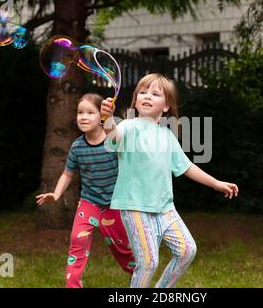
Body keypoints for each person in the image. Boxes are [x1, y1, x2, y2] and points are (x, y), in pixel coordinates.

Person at [101, 73, 239, 288]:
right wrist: (106, 119)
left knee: (187, 250)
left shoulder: (166, 136)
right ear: (135, 100)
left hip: (165, 208)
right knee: (148, 263)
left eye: (155, 94)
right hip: (135, 206)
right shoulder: (128, 126)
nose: (147, 96)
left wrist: (216, 183)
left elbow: (187, 167)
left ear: (166, 106)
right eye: (142, 92)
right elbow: (113, 135)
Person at [36, 93, 135, 288]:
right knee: (76, 240)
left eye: (90, 112)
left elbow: (124, 145)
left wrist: (112, 118)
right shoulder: (77, 147)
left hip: (114, 204)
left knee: (121, 247)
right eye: (80, 112)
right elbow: (67, 174)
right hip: (89, 202)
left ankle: (137, 274)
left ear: (101, 117)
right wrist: (56, 193)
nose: (83, 116)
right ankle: (73, 285)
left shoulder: (112, 141)